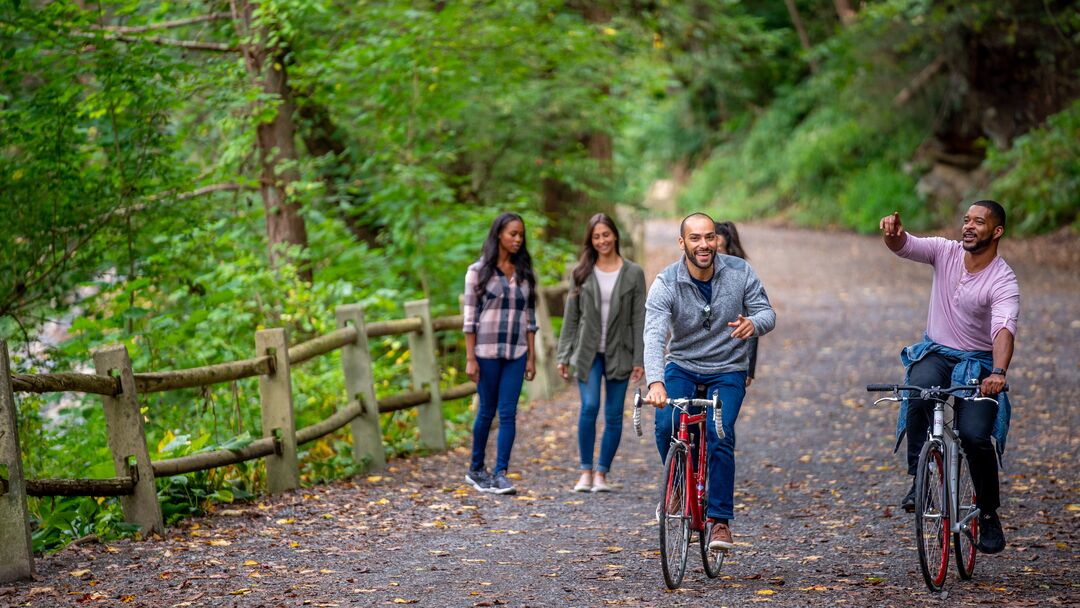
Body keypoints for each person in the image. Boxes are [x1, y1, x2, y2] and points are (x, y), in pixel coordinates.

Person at [879, 200, 1018, 554]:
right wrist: (893, 236)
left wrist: (998, 372)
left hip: (980, 364)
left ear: (997, 231)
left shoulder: (1003, 279)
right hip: (937, 352)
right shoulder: (945, 251)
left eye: (979, 222)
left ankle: (988, 514)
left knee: (974, 436)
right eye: (966, 220)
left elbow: (1004, 328)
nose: (969, 226)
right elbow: (906, 245)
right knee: (917, 389)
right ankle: (919, 481)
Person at [643, 212, 776, 551]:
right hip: (683, 366)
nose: (704, 245)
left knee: (719, 433)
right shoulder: (666, 281)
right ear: (682, 243)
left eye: (709, 237)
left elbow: (767, 312)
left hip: (727, 367)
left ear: (717, 239)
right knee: (664, 425)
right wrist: (656, 382)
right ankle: (676, 488)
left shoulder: (740, 271)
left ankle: (719, 521)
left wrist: (754, 324)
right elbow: (654, 335)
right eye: (695, 238)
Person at [556, 213, 646, 493]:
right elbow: (571, 317)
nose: (602, 240)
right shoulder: (581, 272)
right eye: (596, 236)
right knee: (590, 406)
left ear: (615, 235)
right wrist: (563, 354)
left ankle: (602, 473)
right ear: (590, 240)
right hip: (587, 352)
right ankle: (585, 471)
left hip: (620, 352)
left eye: (606, 234)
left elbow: (640, 318)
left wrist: (639, 359)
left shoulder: (633, 272)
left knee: (614, 414)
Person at [462, 212, 538, 495]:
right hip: (486, 352)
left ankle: (500, 473)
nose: (518, 240)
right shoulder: (477, 272)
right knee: (486, 411)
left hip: (516, 353)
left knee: (508, 413)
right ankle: (476, 469)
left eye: (521, 235)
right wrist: (471, 358)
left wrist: (531, 357)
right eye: (512, 234)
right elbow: (470, 319)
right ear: (498, 236)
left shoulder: (525, 273)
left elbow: (530, 320)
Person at [714, 221, 758, 387]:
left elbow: (752, 322)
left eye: (718, 250)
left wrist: (749, 368)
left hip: (730, 361)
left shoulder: (742, 277)